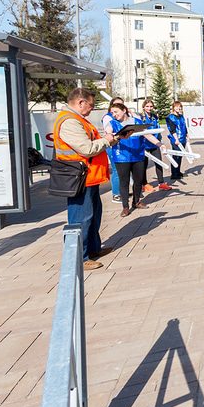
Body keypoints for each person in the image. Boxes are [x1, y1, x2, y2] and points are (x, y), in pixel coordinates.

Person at [53, 87, 118, 271]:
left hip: (89, 177)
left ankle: (92, 249)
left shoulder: (78, 119)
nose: (91, 109)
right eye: (90, 105)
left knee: (93, 215)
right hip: (79, 178)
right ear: (81, 102)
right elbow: (86, 148)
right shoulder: (69, 122)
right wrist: (108, 140)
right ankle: (79, 258)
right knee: (81, 218)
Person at [107, 103, 147, 217]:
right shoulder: (113, 123)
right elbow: (108, 132)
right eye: (112, 113)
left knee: (138, 180)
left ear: (124, 110)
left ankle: (136, 201)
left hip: (138, 155)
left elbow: (147, 135)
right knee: (124, 182)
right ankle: (125, 207)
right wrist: (110, 135)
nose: (114, 115)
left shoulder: (137, 122)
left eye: (116, 112)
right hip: (121, 157)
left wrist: (160, 145)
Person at [141, 99, 172, 191]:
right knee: (143, 165)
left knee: (159, 163)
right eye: (147, 106)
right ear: (143, 107)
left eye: (151, 106)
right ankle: (144, 184)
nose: (149, 108)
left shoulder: (154, 116)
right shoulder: (141, 117)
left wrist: (160, 142)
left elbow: (158, 128)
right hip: (144, 145)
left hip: (155, 144)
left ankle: (161, 183)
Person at [102, 97, 125, 203]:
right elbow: (109, 132)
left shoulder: (123, 118)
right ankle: (116, 194)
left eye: (121, 105)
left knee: (122, 170)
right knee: (116, 170)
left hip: (121, 145)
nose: (118, 107)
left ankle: (122, 190)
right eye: (116, 105)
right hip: (112, 146)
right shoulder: (108, 118)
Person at [165, 101, 188, 181]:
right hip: (176, 139)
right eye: (177, 106)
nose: (179, 108)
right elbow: (172, 129)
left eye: (180, 106)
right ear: (173, 107)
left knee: (180, 156)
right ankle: (174, 173)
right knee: (176, 156)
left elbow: (184, 126)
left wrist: (187, 134)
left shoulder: (181, 116)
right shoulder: (170, 117)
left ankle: (178, 171)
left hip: (182, 138)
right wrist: (176, 139)